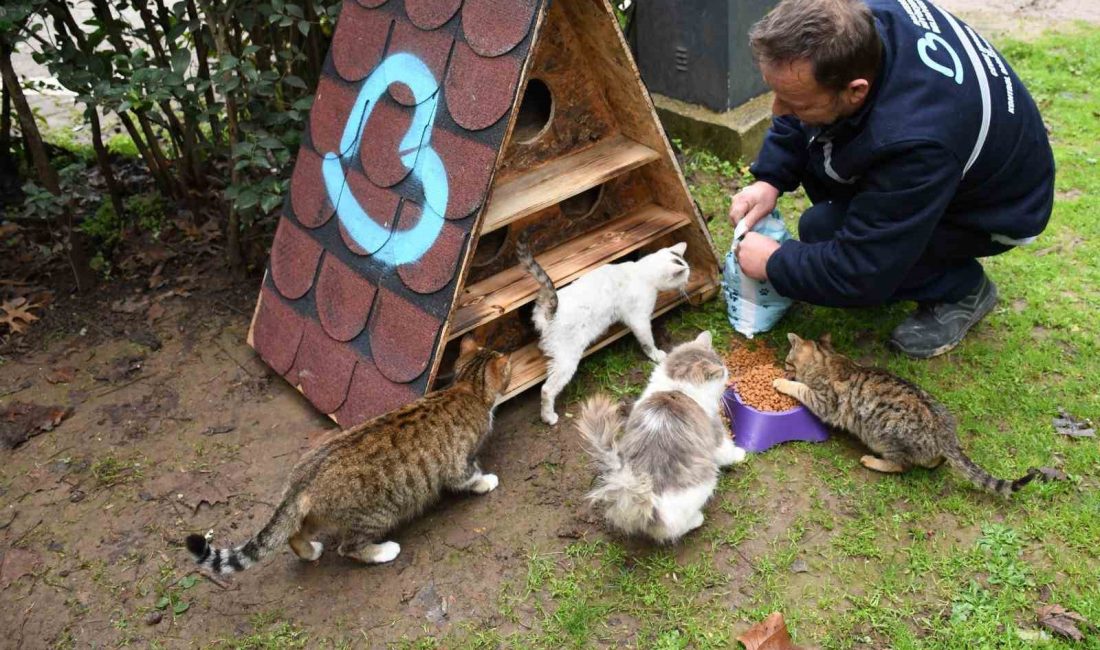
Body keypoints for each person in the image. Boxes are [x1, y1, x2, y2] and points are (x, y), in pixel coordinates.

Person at [728, 0, 1054, 358]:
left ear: (856, 90)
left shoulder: (918, 141)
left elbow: (861, 270)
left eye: (798, 104)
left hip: (999, 208)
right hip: (957, 154)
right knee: (827, 219)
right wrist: (769, 179)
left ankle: (962, 289)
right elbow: (797, 104)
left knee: (825, 231)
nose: (777, 110)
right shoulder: (853, 23)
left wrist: (775, 263)